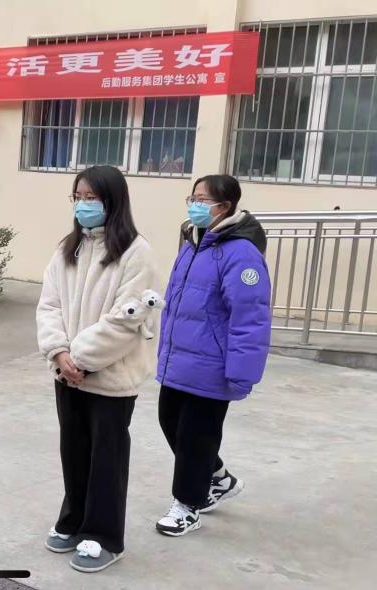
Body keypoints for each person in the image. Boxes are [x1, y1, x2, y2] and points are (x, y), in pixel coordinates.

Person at [36, 165, 161, 573]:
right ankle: (73, 521)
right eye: (78, 197)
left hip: (110, 378)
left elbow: (127, 320)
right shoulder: (66, 249)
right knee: (73, 453)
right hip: (67, 374)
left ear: (113, 201)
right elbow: (49, 305)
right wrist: (59, 353)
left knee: (106, 459)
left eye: (92, 197)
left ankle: (104, 536)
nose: (83, 205)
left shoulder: (136, 253)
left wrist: (81, 360)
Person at [154, 175, 270, 537]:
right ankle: (218, 477)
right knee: (170, 422)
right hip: (180, 359)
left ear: (225, 206)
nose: (195, 205)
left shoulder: (242, 253)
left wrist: (242, 372)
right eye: (192, 198)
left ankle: (188, 505)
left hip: (213, 366)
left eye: (202, 200)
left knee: (194, 437)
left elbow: (250, 317)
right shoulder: (193, 242)